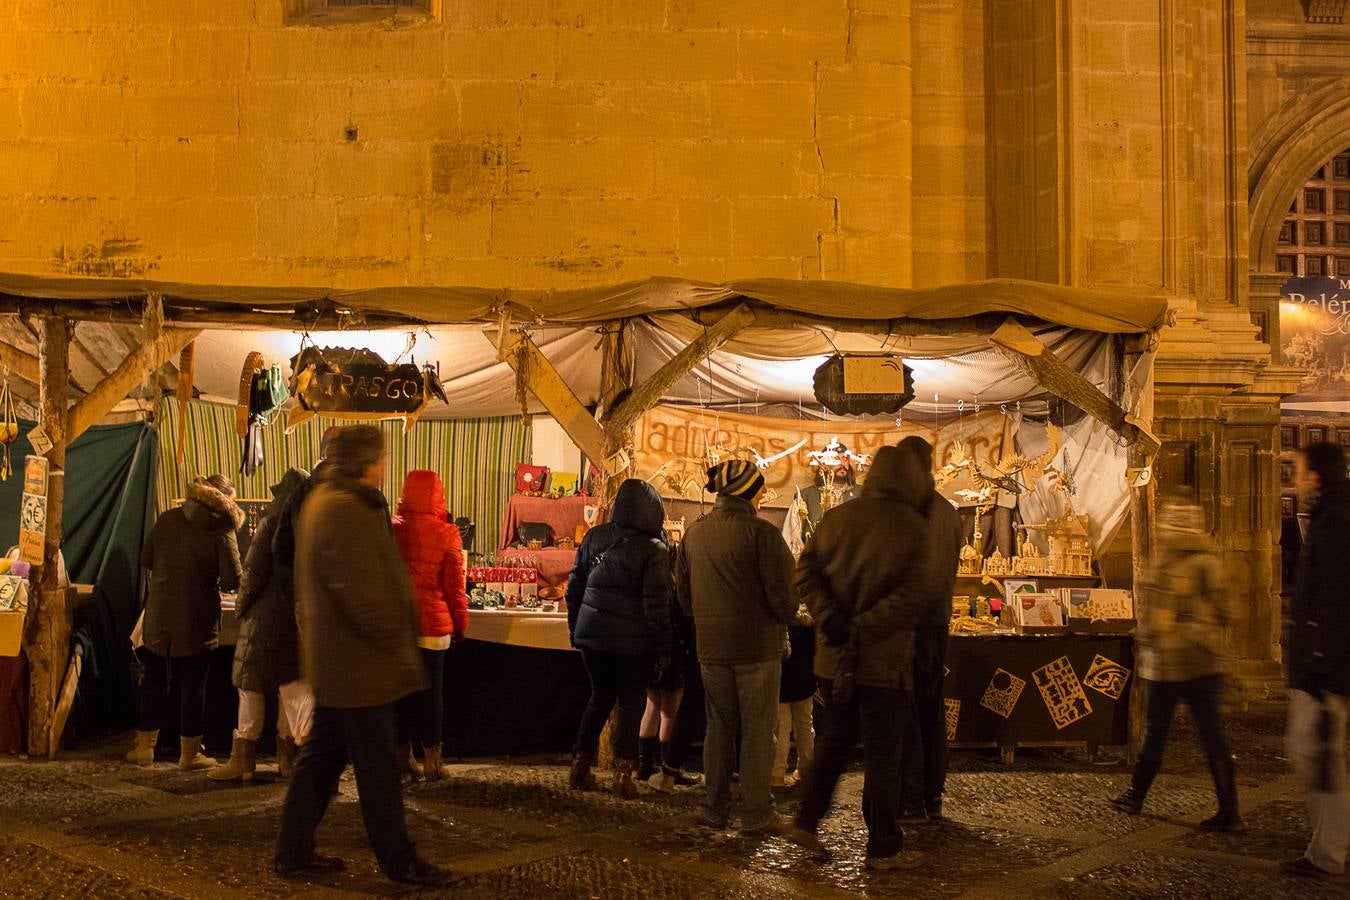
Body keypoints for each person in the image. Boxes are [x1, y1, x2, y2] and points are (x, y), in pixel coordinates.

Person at [274, 426, 446, 887]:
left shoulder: (328, 501)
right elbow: (362, 592)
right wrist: (395, 641)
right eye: (381, 457)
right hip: (360, 662)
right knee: (376, 769)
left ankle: (292, 851)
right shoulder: (344, 508)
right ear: (366, 462)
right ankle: (399, 860)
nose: (384, 464)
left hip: (340, 660)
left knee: (322, 760)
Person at [787, 444, 931, 869]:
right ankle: (882, 845)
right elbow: (912, 598)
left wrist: (830, 616)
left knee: (834, 742)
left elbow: (804, 571)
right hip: (883, 664)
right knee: (883, 754)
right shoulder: (913, 529)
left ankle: (806, 819)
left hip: (835, 661)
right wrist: (862, 627)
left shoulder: (837, 518)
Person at [677, 459, 797, 832]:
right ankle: (757, 812)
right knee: (759, 730)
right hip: (756, 649)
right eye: (760, 489)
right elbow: (785, 603)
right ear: (748, 491)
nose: (763, 496)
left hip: (710, 649)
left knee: (719, 727)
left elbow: (683, 598)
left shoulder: (694, 534)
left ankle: (714, 809)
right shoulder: (762, 535)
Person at [1108, 494, 1241, 831]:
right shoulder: (1206, 560)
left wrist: (1160, 630)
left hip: (1172, 663)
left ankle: (1136, 796)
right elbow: (1228, 610)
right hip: (1199, 662)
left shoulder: (1175, 562)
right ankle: (1230, 810)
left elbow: (1166, 616)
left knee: (1157, 732)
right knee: (1208, 735)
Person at [565, 479, 673, 798]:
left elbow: (574, 589)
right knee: (630, 704)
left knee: (598, 699)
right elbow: (657, 605)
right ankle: (623, 776)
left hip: (593, 640)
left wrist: (577, 630)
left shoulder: (596, 536)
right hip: (632, 643)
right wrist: (663, 648)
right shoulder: (654, 549)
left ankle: (579, 766)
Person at [128, 474, 243, 770]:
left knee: (154, 678)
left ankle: (144, 748)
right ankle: (189, 754)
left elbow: (146, 558)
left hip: (159, 613)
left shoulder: (167, 518)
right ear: (222, 499)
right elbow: (232, 578)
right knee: (194, 683)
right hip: (197, 616)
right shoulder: (221, 528)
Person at [210, 468, 314, 783]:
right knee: (291, 690)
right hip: (298, 619)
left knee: (251, 688)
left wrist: (241, 608)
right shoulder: (311, 527)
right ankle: (289, 760)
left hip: (264, 618)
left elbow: (253, 573)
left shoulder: (270, 524)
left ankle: (243, 761)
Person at [1282, 442, 1350, 878]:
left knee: (1314, 752)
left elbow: (1336, 597)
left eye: (1300, 469)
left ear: (1317, 476)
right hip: (1331, 660)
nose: (1296, 477)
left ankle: (1328, 852)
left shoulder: (1335, 521)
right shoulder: (1332, 513)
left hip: (1329, 665)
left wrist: (1320, 658)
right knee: (1323, 754)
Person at [896, 435, 964, 824]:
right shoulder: (950, 512)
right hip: (937, 621)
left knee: (908, 711)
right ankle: (933, 794)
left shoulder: (909, 510)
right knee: (930, 708)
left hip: (911, 625)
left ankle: (912, 800)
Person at [392, 469, 469, 781]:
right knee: (431, 695)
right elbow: (455, 587)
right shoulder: (447, 532)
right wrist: (460, 624)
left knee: (400, 696)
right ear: (440, 494)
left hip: (399, 628)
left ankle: (401, 759)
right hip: (434, 628)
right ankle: (433, 763)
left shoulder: (392, 528)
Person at [771, 602, 815, 789]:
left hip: (781, 684)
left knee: (781, 730)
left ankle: (777, 774)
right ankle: (806, 770)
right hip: (804, 682)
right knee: (805, 726)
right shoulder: (807, 622)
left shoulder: (778, 622)